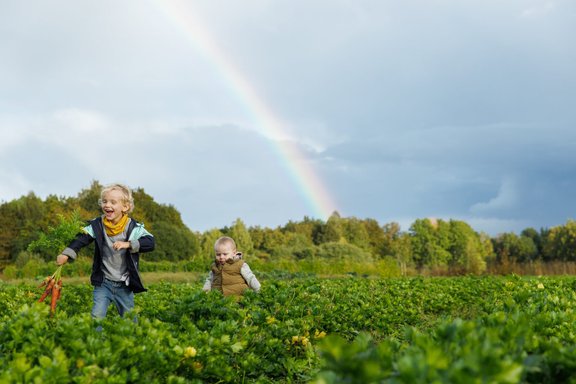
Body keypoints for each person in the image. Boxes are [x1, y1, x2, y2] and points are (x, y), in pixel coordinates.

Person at [56, 183, 155, 319]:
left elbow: (150, 242)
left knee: (129, 320)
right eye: (104, 201)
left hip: (124, 285)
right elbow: (81, 239)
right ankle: (97, 340)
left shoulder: (133, 227)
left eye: (113, 202)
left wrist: (128, 244)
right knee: (96, 316)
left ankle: (133, 340)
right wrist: (66, 253)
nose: (107, 205)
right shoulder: (97, 225)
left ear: (125, 207)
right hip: (104, 282)